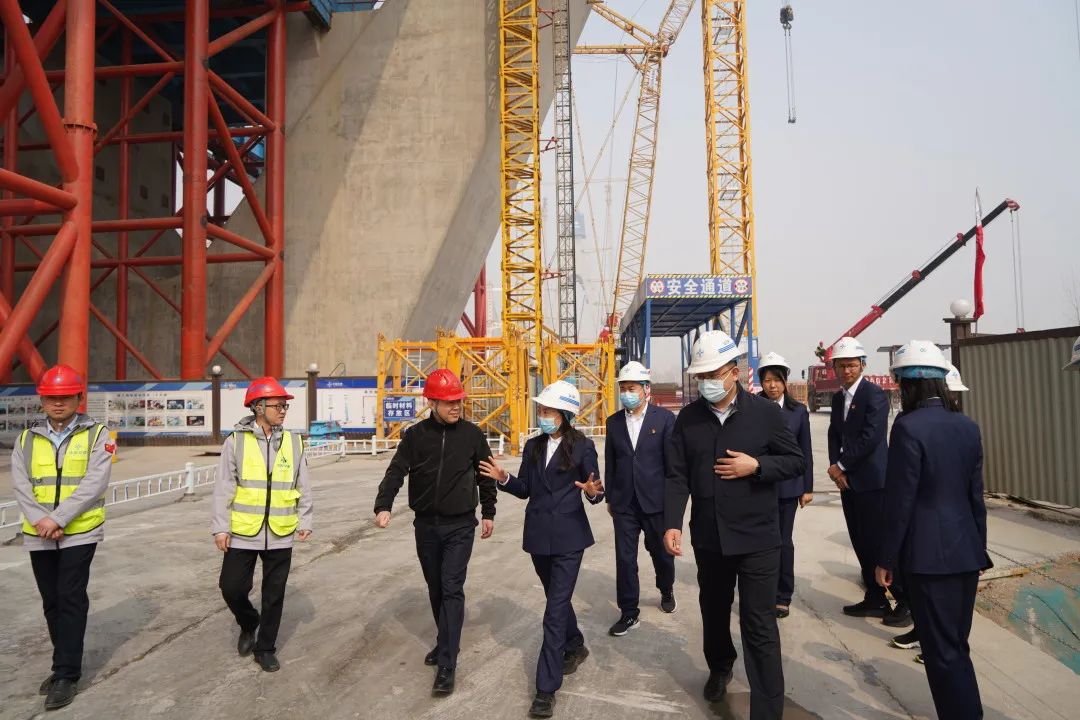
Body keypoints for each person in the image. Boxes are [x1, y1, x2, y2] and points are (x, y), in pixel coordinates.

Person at [664, 331, 805, 719]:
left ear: (735, 372)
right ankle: (720, 666)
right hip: (710, 537)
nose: (706, 382)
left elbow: (795, 461)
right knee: (713, 610)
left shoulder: (765, 414)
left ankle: (767, 710)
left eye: (713, 374)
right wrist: (672, 523)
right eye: (701, 376)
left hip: (758, 537)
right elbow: (677, 475)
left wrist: (757, 466)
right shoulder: (688, 419)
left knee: (759, 624)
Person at [875, 340, 992, 719]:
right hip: (965, 554)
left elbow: (900, 501)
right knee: (955, 646)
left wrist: (886, 558)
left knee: (941, 654)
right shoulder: (967, 426)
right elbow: (976, 498)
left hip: (928, 559)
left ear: (906, 384)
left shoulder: (908, 428)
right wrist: (978, 550)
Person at [479, 380, 604, 719]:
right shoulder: (534, 446)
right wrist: (504, 478)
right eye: (542, 409)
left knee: (554, 611)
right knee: (556, 598)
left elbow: (595, 489)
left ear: (565, 414)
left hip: (569, 538)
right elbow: (525, 489)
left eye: (549, 410)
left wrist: (592, 491)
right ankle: (575, 643)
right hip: (538, 536)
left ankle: (545, 689)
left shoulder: (582, 446)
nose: (543, 415)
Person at [373, 369, 497, 695]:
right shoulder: (415, 436)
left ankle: (447, 664)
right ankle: (445, 641)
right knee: (436, 588)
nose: (456, 406)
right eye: (448, 402)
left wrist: (488, 512)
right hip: (426, 525)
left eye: (458, 401)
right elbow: (396, 471)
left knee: (452, 587)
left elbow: (486, 475)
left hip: (460, 525)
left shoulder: (472, 435)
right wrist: (383, 505)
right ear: (432, 402)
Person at [12, 364, 113, 711]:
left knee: (70, 596)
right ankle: (62, 662)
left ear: (78, 398)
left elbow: (94, 483)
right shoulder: (26, 438)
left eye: (66, 397)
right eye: (51, 397)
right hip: (39, 531)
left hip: (79, 530)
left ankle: (67, 674)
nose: (58, 403)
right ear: (42, 400)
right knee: (51, 600)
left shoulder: (99, 434)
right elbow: (21, 484)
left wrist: (57, 518)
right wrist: (41, 519)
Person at [212, 377, 313, 673]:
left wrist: (305, 518)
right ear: (258, 407)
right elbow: (223, 487)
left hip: (281, 530)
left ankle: (265, 648)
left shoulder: (294, 442)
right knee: (231, 587)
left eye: (285, 406)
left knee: (274, 594)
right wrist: (221, 527)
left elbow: (304, 484)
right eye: (277, 405)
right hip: (243, 530)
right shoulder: (235, 441)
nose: (283, 410)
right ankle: (248, 621)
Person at [826, 336, 910, 627]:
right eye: (841, 366)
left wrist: (841, 465)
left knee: (879, 542)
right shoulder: (838, 398)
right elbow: (834, 434)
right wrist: (836, 468)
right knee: (860, 540)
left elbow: (871, 437)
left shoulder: (874, 395)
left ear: (862, 365)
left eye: (851, 365)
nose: (846, 370)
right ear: (834, 368)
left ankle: (904, 600)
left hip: (872, 482)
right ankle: (875, 597)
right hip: (848, 482)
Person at [603, 361, 677, 636]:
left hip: (655, 501)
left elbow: (672, 465)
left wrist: (671, 503)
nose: (626, 393)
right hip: (624, 503)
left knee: (661, 553)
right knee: (625, 559)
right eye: (623, 388)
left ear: (646, 389)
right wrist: (610, 497)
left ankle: (666, 588)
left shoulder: (664, 419)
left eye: (631, 388)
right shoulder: (613, 422)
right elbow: (611, 461)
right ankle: (628, 612)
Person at [756, 352, 813, 619]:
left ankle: (783, 595)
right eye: (767, 380)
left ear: (785, 381)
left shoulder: (798, 412)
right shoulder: (752, 408)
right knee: (761, 543)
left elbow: (805, 451)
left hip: (788, 488)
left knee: (783, 541)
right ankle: (762, 592)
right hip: (759, 485)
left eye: (777, 380)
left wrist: (807, 487)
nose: (772, 386)